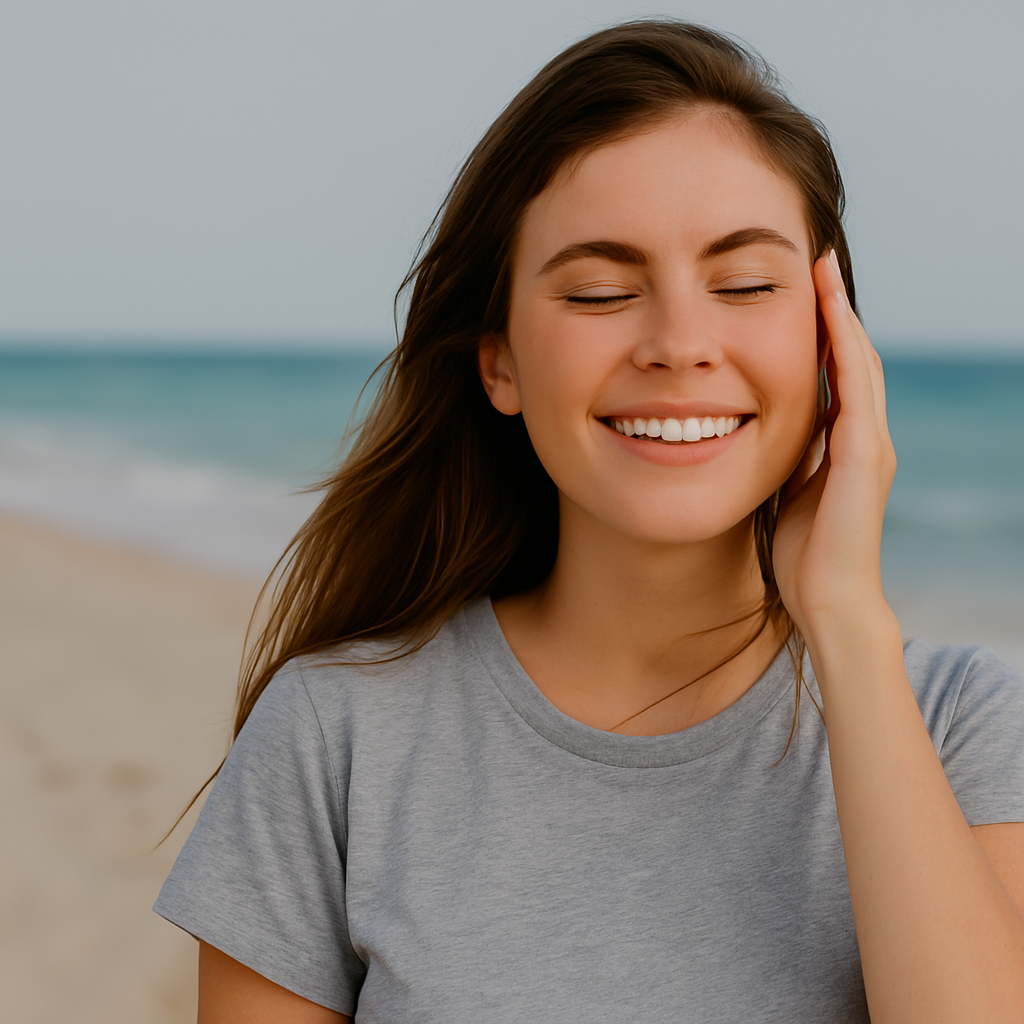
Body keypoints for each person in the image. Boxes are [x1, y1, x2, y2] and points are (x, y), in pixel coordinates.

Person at [155, 20, 1024, 1023]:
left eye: (745, 285)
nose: (680, 343)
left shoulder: (960, 722)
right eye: (602, 290)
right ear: (500, 363)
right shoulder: (336, 733)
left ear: (833, 345)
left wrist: (846, 621)